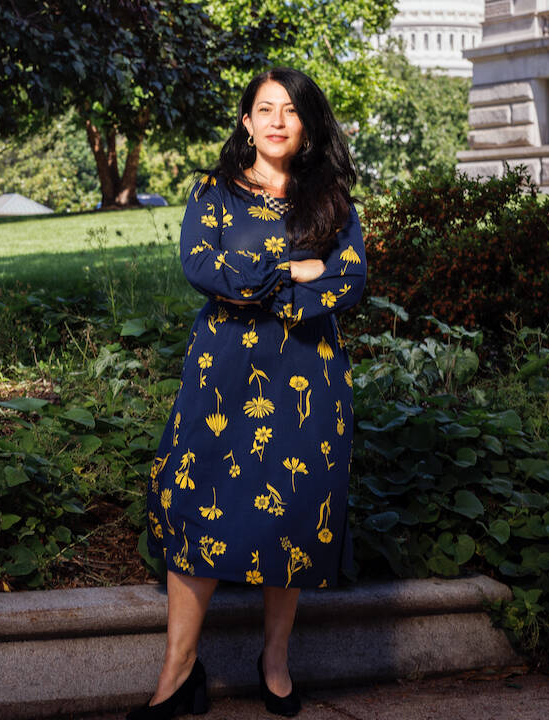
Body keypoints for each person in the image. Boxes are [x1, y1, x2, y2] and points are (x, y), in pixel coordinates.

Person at [129, 67, 365, 720]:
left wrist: (268, 284)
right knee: (197, 504)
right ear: (246, 121)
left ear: (307, 124)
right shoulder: (214, 192)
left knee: (292, 511)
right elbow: (200, 264)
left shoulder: (331, 200)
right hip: (222, 373)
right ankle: (178, 671)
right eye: (265, 109)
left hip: (308, 378)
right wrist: (291, 269)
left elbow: (349, 278)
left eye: (290, 109)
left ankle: (276, 661)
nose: (277, 121)